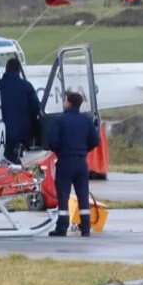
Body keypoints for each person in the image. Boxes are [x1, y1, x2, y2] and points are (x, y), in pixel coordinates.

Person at [46, 90, 101, 238]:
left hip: (65, 162)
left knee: (63, 196)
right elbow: (95, 141)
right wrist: (83, 150)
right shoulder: (86, 120)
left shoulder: (60, 121)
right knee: (83, 195)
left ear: (68, 102)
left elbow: (52, 142)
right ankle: (86, 228)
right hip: (81, 162)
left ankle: (62, 228)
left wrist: (61, 151)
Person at [0, 57, 41, 165]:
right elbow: (36, 108)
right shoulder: (26, 86)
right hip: (22, 132)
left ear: (6, 69)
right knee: (14, 159)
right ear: (18, 70)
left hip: (2, 132)